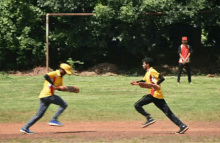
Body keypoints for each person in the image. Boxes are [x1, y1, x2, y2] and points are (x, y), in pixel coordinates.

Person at [130, 57, 189, 134]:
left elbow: (162, 78)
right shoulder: (148, 72)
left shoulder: (152, 70)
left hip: (154, 94)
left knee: (137, 105)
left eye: (144, 63)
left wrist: (156, 85)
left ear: (147, 64)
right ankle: (182, 126)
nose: (142, 65)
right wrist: (136, 82)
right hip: (157, 96)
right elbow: (144, 81)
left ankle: (149, 118)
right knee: (168, 112)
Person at [20, 63, 73, 134]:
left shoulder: (60, 77)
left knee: (39, 115)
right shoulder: (55, 73)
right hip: (48, 95)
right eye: (66, 72)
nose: (66, 73)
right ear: (62, 70)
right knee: (64, 104)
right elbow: (46, 76)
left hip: (44, 96)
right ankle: (53, 119)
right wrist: (52, 84)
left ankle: (25, 128)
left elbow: (58, 88)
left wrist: (67, 89)